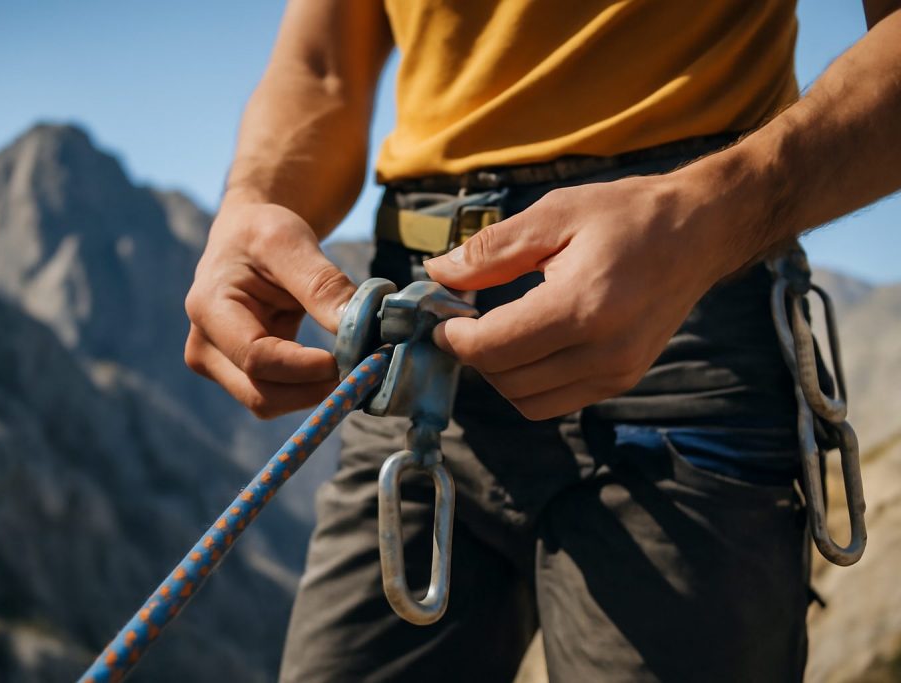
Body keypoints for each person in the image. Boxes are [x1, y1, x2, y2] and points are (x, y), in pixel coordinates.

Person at [183, 2, 901, 681]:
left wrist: (719, 213)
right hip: (411, 343)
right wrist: (254, 202)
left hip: (678, 307)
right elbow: (320, 69)